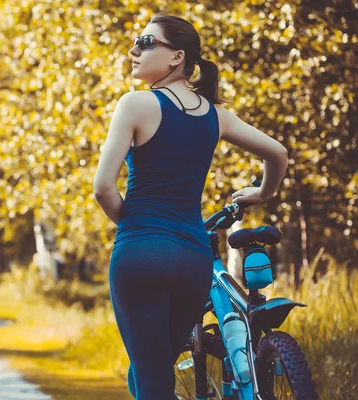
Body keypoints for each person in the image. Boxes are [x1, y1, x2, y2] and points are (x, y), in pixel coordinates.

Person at [92, 12, 288, 400]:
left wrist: (134, 227)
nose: (134, 50)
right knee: (153, 367)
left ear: (177, 57)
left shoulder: (134, 104)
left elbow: (102, 188)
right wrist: (262, 194)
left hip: (141, 253)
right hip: (192, 260)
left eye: (147, 43)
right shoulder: (217, 116)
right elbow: (278, 153)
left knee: (154, 380)